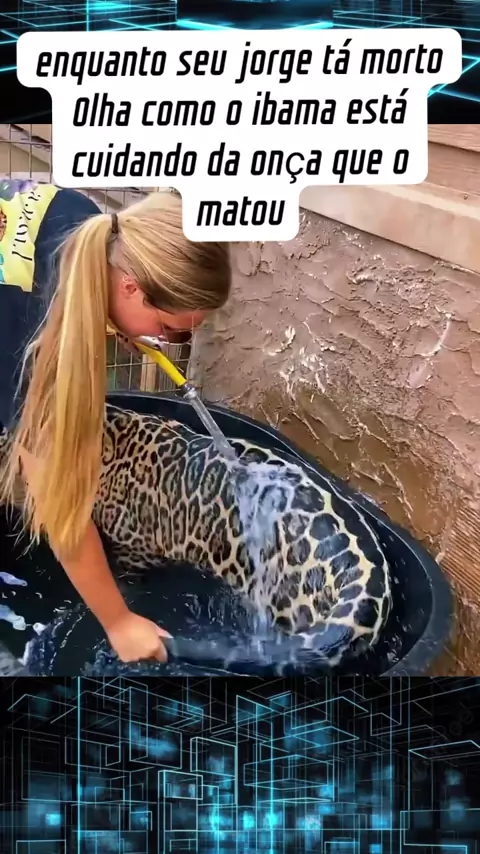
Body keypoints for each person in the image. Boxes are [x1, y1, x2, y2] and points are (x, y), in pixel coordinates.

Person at [0, 179, 231, 664]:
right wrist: (118, 621)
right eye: (169, 330)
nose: (167, 343)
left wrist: (122, 322)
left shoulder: (92, 224)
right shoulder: (36, 338)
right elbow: (60, 504)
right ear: (131, 287)